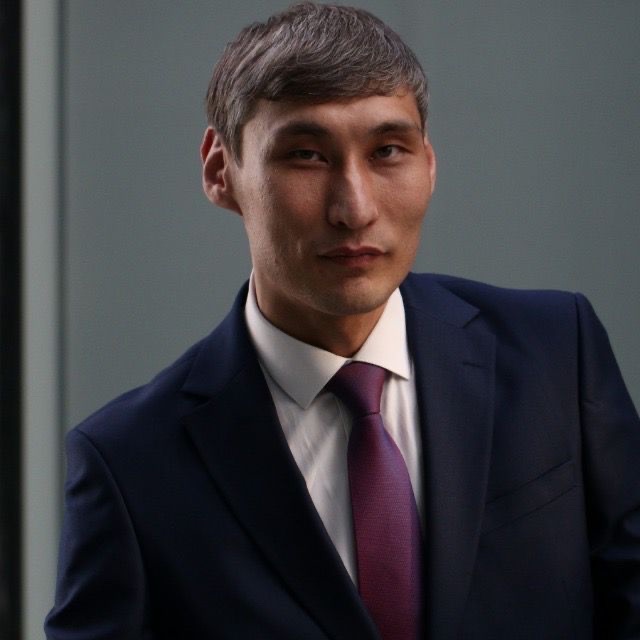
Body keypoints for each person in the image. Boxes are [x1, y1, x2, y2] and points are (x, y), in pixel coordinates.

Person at [45, 3, 640, 639]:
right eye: (306, 155)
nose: (354, 209)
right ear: (221, 170)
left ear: (429, 164)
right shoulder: (130, 465)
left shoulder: (557, 353)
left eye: (387, 151)